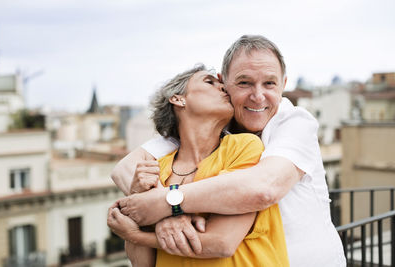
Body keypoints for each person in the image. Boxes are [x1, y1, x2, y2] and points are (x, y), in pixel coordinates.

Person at [111, 35, 346, 266]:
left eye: (269, 83)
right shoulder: (212, 130)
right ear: (226, 84)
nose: (258, 96)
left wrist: (165, 204)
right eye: (244, 83)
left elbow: (263, 188)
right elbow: (125, 168)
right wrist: (163, 218)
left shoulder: (294, 122)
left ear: (283, 85)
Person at [107, 64, 289, 267]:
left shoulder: (243, 147)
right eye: (209, 82)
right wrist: (138, 201)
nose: (223, 88)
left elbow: (221, 242)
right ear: (178, 98)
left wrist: (136, 234)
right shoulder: (155, 170)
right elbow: (145, 264)